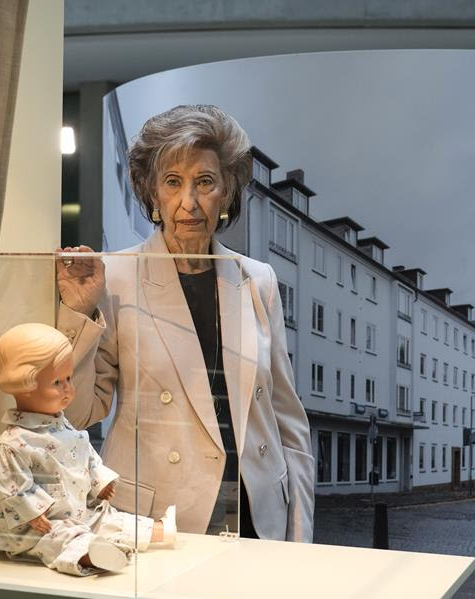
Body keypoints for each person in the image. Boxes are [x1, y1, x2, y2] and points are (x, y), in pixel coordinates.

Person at [56, 104, 314, 542]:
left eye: (205, 182)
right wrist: (77, 313)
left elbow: (287, 419)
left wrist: (301, 532)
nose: (189, 202)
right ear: (152, 193)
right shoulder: (114, 275)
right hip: (159, 518)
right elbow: (81, 413)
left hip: (256, 512)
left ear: (227, 192)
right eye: (173, 182)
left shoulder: (259, 280)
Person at [0, 322, 176, 576]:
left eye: (68, 378)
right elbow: (13, 488)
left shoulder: (63, 426)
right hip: (39, 528)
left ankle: (161, 530)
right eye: (57, 381)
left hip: (80, 513)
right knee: (62, 539)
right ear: (25, 383)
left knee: (108, 519)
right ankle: (94, 557)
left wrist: (100, 481)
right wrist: (33, 513)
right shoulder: (13, 442)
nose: (68, 388)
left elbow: (86, 453)